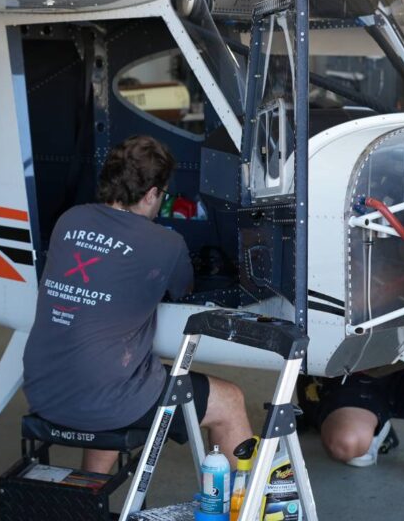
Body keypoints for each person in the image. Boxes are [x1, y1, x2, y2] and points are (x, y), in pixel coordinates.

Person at [22, 135, 252, 472]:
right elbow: (184, 289)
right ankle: (239, 506)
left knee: (114, 372)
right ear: (151, 194)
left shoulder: (70, 220)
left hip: (43, 389)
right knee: (229, 400)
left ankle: (90, 492)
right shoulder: (165, 242)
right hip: (105, 398)